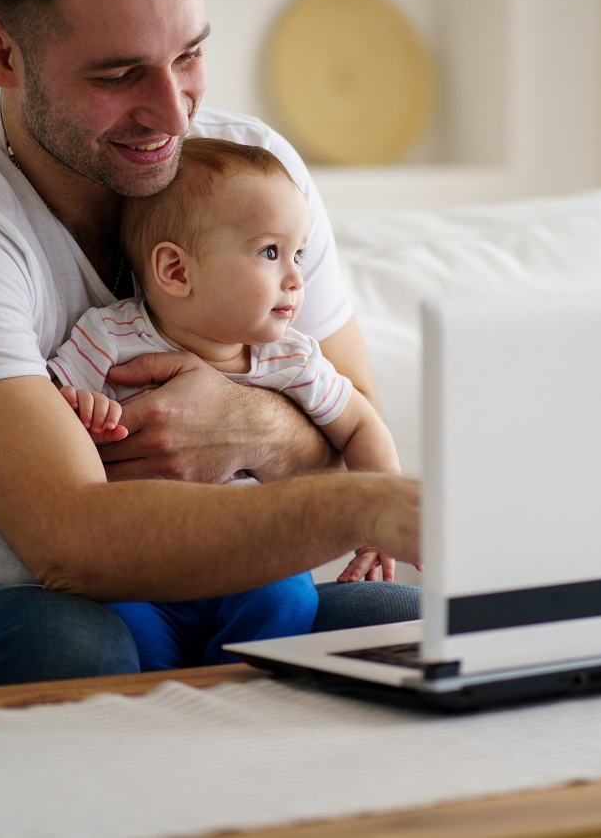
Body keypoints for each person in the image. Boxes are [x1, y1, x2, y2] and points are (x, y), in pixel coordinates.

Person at [0, 0, 419, 699]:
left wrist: (244, 426)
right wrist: (361, 502)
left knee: (406, 623)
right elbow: (72, 543)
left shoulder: (252, 178)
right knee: (78, 642)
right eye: (118, 75)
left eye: (190, 54)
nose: (175, 113)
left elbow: (355, 420)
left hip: (209, 592)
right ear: (0, 52)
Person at [51, 137, 401, 670]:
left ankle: (243, 698)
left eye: (298, 254)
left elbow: (360, 425)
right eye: (269, 252)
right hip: (141, 569)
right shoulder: (109, 338)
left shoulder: (291, 359)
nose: (295, 277)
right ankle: (169, 715)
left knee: (287, 593)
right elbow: (45, 411)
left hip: (246, 560)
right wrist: (80, 408)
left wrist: (382, 513)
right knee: (115, 628)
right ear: (176, 271)